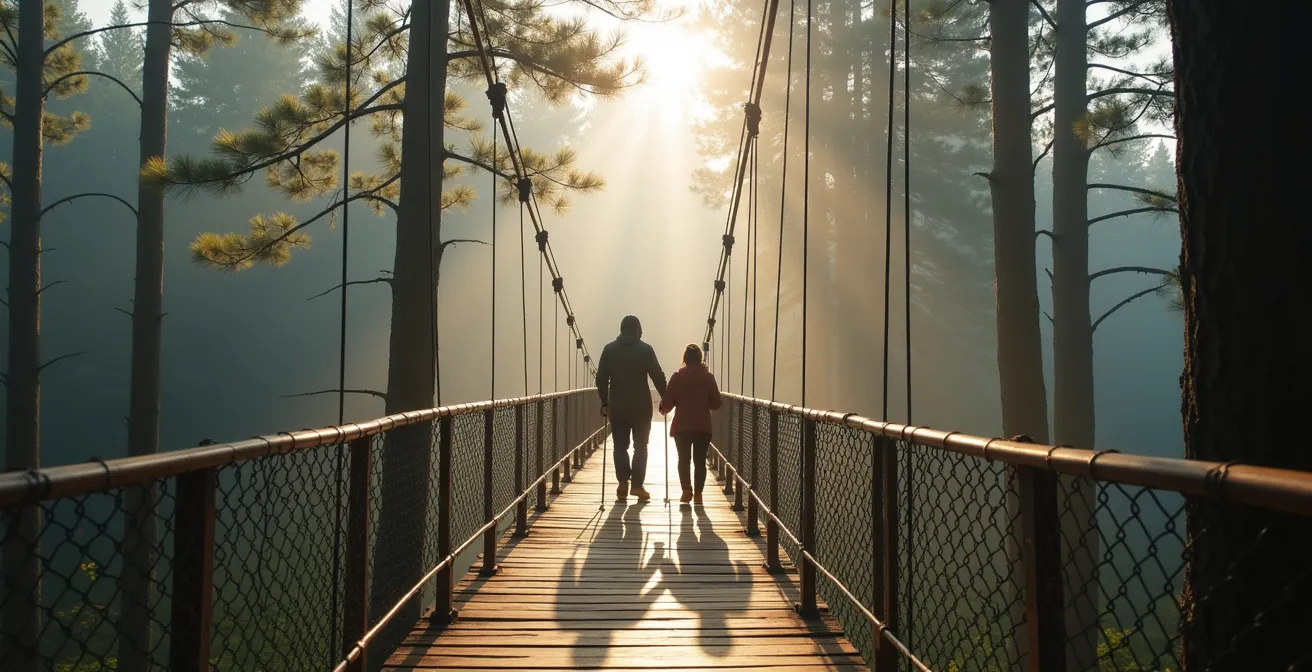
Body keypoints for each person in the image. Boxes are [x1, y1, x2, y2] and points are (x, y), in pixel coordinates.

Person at [596, 315, 667, 501]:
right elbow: (657, 376)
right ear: (638, 329)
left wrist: (605, 402)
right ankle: (636, 486)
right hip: (641, 408)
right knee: (641, 446)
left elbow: (601, 378)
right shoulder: (646, 350)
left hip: (617, 407)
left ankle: (622, 483)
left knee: (620, 446)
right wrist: (666, 398)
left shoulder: (609, 350)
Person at [658, 344, 721, 506]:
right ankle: (698, 494)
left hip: (682, 426)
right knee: (700, 461)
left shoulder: (677, 377)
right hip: (703, 426)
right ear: (700, 358)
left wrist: (663, 408)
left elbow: (668, 403)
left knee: (683, 459)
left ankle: (686, 491)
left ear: (685, 358)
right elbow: (715, 404)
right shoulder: (709, 378)